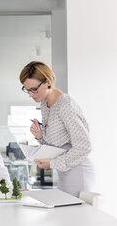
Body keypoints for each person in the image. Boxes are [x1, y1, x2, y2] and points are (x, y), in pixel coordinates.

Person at [19, 61, 95, 197]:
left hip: (78, 171)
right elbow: (56, 145)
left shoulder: (65, 105)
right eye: (27, 90)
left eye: (34, 89)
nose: (30, 94)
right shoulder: (44, 104)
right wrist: (40, 137)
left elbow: (84, 146)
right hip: (64, 171)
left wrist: (52, 163)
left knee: (73, 215)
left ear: (47, 81)